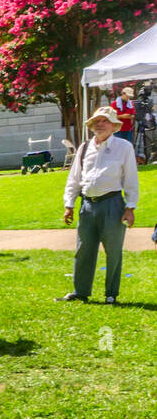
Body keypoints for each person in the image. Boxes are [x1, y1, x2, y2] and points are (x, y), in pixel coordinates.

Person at [58, 106, 140, 305]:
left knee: (113, 250)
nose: (100, 124)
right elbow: (74, 178)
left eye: (105, 121)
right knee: (84, 249)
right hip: (87, 205)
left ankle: (111, 293)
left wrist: (130, 207)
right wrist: (69, 204)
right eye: (97, 121)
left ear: (114, 126)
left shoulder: (124, 147)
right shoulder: (85, 147)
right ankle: (80, 291)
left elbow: (131, 178)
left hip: (113, 204)